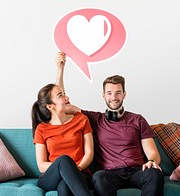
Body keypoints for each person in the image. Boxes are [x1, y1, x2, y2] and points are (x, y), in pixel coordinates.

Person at [55, 53, 164, 196]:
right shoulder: (94, 118)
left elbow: (153, 153)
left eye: (118, 93)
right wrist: (60, 70)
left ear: (124, 94)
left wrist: (152, 161)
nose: (114, 97)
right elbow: (61, 104)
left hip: (137, 171)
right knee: (99, 176)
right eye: (110, 93)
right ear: (103, 95)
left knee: (155, 174)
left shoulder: (138, 119)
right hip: (109, 174)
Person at [31, 52, 94, 196]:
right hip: (50, 177)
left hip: (81, 173)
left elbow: (89, 153)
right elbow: (41, 165)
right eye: (61, 96)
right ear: (49, 106)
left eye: (64, 94)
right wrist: (66, 167)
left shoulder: (81, 119)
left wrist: (73, 169)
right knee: (64, 160)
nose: (67, 97)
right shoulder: (42, 129)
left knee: (65, 187)